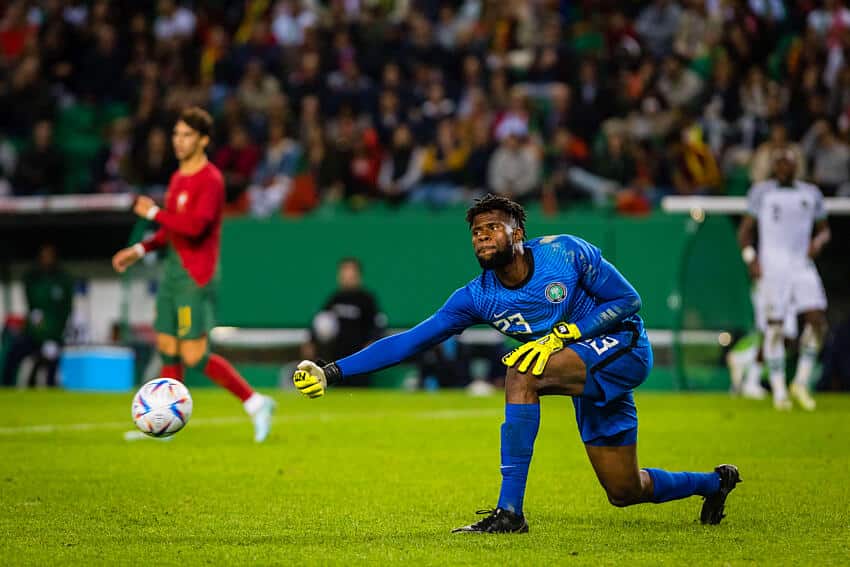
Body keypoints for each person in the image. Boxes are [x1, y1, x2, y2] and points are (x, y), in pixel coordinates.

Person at [292, 194, 740, 532]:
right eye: (476, 231)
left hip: (624, 349)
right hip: (583, 371)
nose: (482, 235)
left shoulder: (565, 253)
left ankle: (510, 513)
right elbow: (410, 342)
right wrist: (330, 371)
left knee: (522, 370)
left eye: (493, 227)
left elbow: (628, 301)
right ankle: (713, 483)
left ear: (518, 233)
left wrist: (567, 333)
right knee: (625, 490)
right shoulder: (477, 296)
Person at [111, 107, 276, 442]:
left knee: (194, 354)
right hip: (172, 274)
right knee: (168, 347)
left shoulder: (211, 179)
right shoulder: (178, 178)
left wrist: (154, 212)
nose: (178, 141)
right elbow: (171, 229)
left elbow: (195, 227)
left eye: (186, 135)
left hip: (195, 277)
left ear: (203, 140)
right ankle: (164, 428)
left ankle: (256, 403)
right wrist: (140, 249)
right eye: (176, 134)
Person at [738, 149, 831, 410]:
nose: (783, 167)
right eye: (778, 163)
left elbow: (824, 230)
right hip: (772, 268)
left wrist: (818, 243)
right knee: (775, 327)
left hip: (802, 265)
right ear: (773, 167)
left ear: (795, 166)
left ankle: (800, 382)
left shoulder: (811, 193)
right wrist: (751, 259)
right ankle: (779, 388)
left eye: (787, 163)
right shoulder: (761, 192)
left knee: (817, 320)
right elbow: (744, 232)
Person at [302, 258, 386, 387]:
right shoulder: (335, 298)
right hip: (338, 357)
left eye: (351, 274)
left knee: (359, 389)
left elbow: (377, 324)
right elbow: (320, 321)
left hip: (359, 356)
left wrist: (371, 343)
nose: (347, 278)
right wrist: (311, 341)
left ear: (358, 276)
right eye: (344, 274)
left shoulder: (367, 299)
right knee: (339, 389)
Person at [1, 243, 73, 387]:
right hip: (33, 335)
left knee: (51, 365)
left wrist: (53, 339)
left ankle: (50, 391)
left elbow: (65, 312)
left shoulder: (62, 280)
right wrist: (37, 326)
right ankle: (6, 386)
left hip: (54, 337)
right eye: (44, 256)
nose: (47, 259)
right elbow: (32, 307)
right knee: (14, 353)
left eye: (50, 256)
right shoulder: (33, 278)